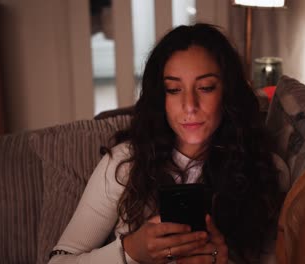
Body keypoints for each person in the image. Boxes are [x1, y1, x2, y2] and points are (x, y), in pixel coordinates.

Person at [48, 23, 285, 264]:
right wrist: (130, 251)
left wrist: (222, 261)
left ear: (227, 93)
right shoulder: (124, 164)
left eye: (205, 87)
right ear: (160, 97)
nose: (189, 105)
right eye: (173, 89)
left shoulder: (265, 169)